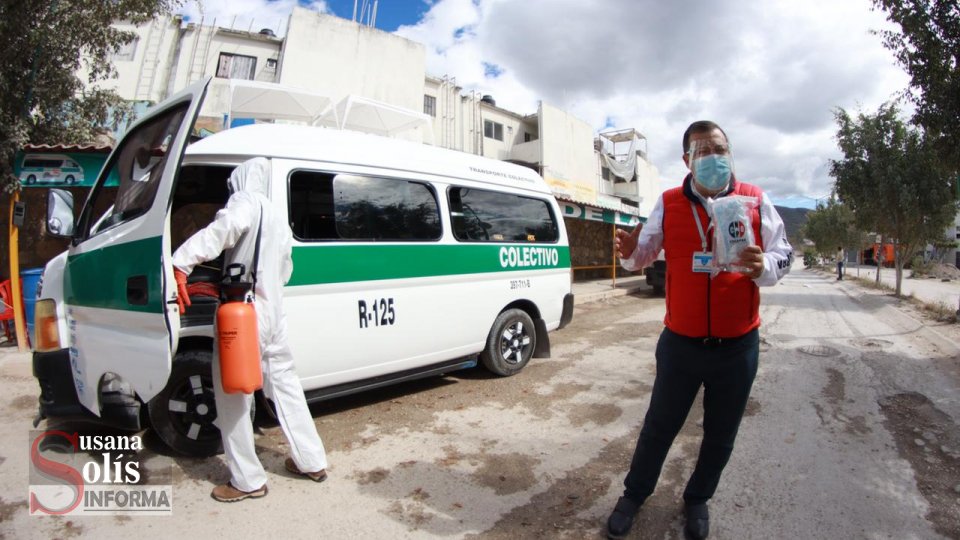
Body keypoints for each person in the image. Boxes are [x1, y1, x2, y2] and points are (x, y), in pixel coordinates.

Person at [605, 121, 793, 539]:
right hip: (681, 344)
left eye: (719, 148)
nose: (713, 157)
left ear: (730, 153)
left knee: (721, 433)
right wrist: (629, 252)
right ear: (686, 159)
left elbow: (784, 253)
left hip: (738, 345)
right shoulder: (669, 202)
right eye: (703, 151)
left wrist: (766, 267)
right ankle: (634, 495)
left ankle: (697, 499)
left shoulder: (754, 200)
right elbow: (642, 257)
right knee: (659, 426)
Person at [172, 157, 329, 502]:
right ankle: (311, 460)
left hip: (245, 313)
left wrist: (181, 261)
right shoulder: (276, 215)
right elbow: (285, 268)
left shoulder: (244, 202)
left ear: (240, 179)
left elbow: (223, 230)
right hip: (274, 312)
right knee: (285, 384)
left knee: (232, 394)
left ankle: (247, 480)